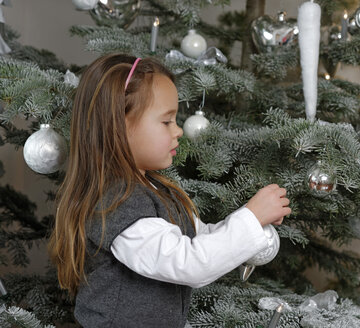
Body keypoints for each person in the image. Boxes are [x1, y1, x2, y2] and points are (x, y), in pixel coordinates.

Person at [48, 53, 291, 328]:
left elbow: (198, 238)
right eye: (166, 122)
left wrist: (253, 223)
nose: (178, 131)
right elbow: (189, 262)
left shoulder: (159, 189)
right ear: (120, 125)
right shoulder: (115, 203)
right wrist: (250, 218)